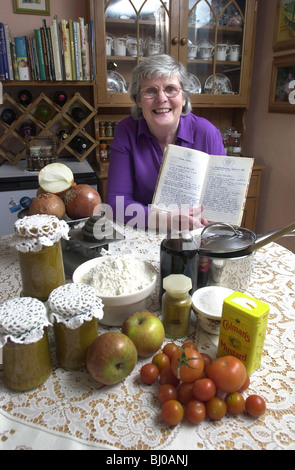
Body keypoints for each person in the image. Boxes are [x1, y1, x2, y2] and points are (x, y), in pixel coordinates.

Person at [106, 54, 226, 230]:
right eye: (150, 91)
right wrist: (168, 220)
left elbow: (221, 200)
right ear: (138, 100)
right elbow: (116, 203)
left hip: (198, 232)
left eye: (170, 89)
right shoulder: (126, 131)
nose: (161, 98)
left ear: (184, 98)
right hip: (145, 231)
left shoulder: (207, 132)